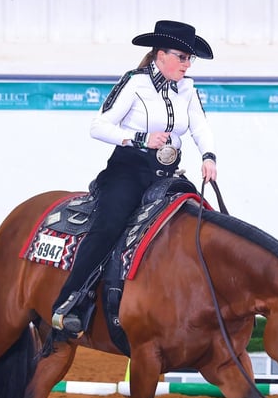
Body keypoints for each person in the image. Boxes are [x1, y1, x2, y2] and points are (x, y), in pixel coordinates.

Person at [51, 19, 218, 336]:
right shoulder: (135, 82)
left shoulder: (188, 89)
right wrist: (140, 138)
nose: (187, 64)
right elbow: (99, 126)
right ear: (161, 55)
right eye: (182, 57)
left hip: (167, 174)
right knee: (110, 225)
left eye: (190, 59)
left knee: (195, 224)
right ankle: (70, 301)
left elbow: (200, 126)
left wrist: (208, 156)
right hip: (128, 170)